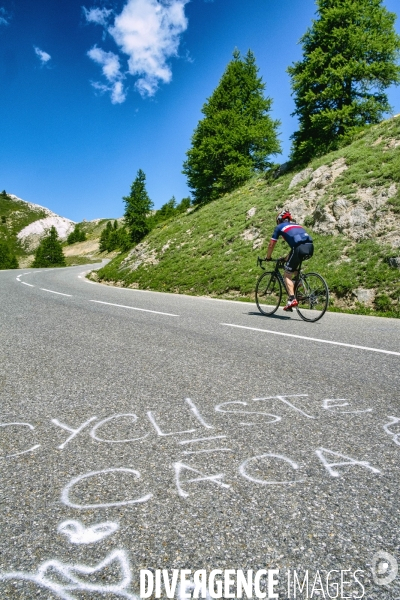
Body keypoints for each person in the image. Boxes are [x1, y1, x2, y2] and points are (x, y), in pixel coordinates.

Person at [265, 210, 314, 311]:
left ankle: (292, 299)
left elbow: (271, 244)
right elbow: (296, 246)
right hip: (310, 247)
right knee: (293, 269)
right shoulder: (297, 225)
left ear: (279, 220)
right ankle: (298, 284)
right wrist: (285, 258)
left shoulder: (279, 227)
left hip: (298, 249)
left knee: (287, 274)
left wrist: (268, 257)